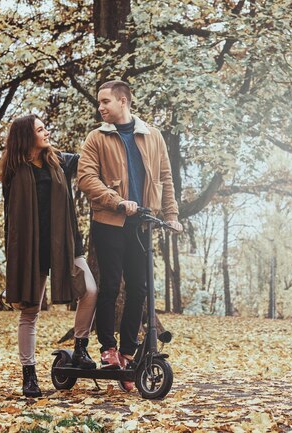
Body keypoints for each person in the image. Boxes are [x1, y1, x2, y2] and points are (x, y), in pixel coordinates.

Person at [78, 80, 182, 390]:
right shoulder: (96, 138)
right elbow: (86, 178)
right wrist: (116, 200)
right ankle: (108, 349)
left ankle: (127, 352)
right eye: (99, 102)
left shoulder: (152, 136)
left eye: (106, 101)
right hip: (109, 222)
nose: (101, 107)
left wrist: (172, 215)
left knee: (139, 287)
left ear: (123, 101)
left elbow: (165, 176)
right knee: (111, 285)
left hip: (142, 225)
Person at [0, 114, 98, 398]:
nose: (46, 132)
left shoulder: (60, 161)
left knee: (90, 290)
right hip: (32, 250)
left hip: (65, 246)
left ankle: (80, 348)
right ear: (26, 137)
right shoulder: (14, 171)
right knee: (30, 313)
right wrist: (15, 256)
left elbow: (90, 160)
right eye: (40, 129)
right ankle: (29, 375)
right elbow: (12, 219)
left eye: (44, 127)